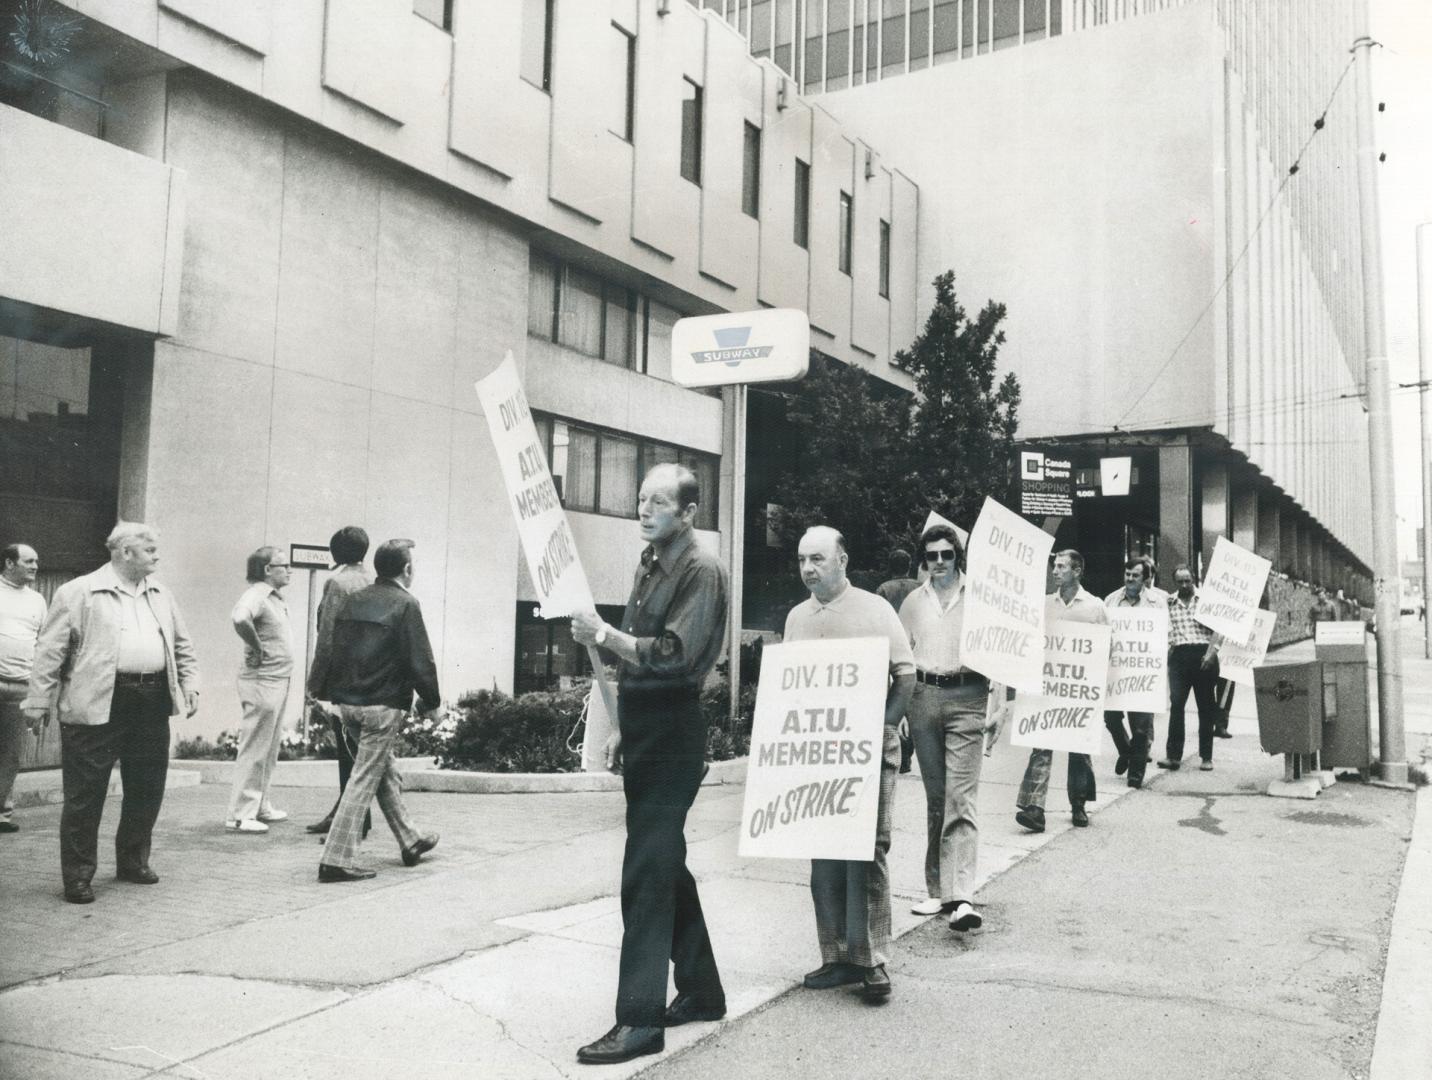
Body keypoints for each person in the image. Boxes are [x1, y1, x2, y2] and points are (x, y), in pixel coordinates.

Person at [570, 464, 729, 1066]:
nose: (644, 509)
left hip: (673, 733)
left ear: (689, 513)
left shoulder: (699, 570)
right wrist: (620, 729)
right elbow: (640, 666)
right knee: (664, 864)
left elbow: (674, 658)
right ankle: (702, 989)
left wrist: (606, 635)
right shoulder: (649, 561)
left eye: (659, 502)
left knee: (645, 872)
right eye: (641, 499)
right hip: (645, 729)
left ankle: (639, 1020)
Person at [22, 523, 199, 904]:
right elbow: (49, 652)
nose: (157, 555)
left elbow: (182, 645)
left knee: (147, 787)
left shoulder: (162, 594)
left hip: (151, 700)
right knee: (86, 795)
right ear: (124, 553)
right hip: (97, 700)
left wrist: (190, 682)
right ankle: (79, 875)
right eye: (149, 549)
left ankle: (133, 862)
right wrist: (38, 700)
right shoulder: (78, 592)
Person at [784, 526, 915, 1002]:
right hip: (818, 754)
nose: (807, 569)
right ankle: (836, 956)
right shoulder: (797, 618)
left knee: (869, 851)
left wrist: (885, 727)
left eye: (817, 559)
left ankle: (873, 959)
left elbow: (905, 674)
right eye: (801, 560)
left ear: (842, 559)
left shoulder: (875, 609)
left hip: (867, 749)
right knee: (824, 851)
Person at [308, 539, 440, 884]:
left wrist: (326, 694)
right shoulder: (406, 604)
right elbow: (420, 659)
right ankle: (335, 859)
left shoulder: (352, 600)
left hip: (348, 704)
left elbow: (331, 647)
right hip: (382, 706)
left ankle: (410, 839)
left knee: (382, 772)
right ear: (406, 570)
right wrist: (432, 701)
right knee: (365, 778)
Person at [898, 523, 1008, 931]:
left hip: (969, 697)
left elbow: (1002, 651)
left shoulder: (982, 597)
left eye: (947, 554)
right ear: (923, 560)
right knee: (937, 798)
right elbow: (900, 658)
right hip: (924, 698)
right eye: (932, 556)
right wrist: (902, 708)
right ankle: (937, 889)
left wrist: (1001, 703)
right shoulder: (913, 601)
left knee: (961, 799)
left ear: (957, 556)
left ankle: (960, 897)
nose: (940, 562)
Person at [1015, 549, 1107, 833]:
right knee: (1041, 742)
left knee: (1078, 747)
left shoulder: (1094, 607)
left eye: (1062, 567)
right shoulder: (1043, 605)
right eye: (1054, 566)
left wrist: (1098, 688)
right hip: (1047, 685)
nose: (1055, 571)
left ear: (1077, 571)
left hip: (1079, 687)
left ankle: (1078, 803)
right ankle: (1034, 808)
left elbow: (1106, 648)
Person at [306, 526, 373, 837]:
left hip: (343, 678)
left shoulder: (337, 582)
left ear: (335, 553)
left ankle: (350, 819)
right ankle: (349, 813)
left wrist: (314, 683)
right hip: (370, 676)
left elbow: (327, 637)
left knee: (347, 752)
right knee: (359, 750)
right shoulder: (373, 579)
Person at [224, 546, 294, 833]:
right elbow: (240, 618)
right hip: (263, 680)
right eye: (283, 565)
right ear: (267, 569)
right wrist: (255, 645)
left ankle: (259, 805)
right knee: (256, 746)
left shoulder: (273, 598)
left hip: (277, 678)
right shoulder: (256, 594)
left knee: (269, 746)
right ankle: (241, 814)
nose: (289, 569)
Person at [1103, 557, 1166, 789]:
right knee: (1110, 717)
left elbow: (1164, 634)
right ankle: (1127, 751)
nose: (1130, 579)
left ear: (1146, 578)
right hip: (1116, 669)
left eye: (1135, 575)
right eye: (1127, 574)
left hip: (1144, 670)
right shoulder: (1112, 600)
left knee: (1141, 724)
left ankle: (1136, 774)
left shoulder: (1156, 603)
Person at [0, 543, 47, 833]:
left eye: (37, 561)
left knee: (10, 755)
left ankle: (2, 814)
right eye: (28, 561)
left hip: (21, 688)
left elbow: (44, 643)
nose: (35, 566)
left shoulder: (38, 600)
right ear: (9, 563)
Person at [1159, 565, 1221, 772]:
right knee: (1176, 705)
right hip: (1179, 656)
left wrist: (1212, 654)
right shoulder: (1168, 603)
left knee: (1206, 707)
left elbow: (1218, 630)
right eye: (1180, 582)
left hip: (1204, 654)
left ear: (1194, 579)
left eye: (1188, 580)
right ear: (1175, 582)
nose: (1185, 585)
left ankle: (1206, 756)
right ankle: (1173, 756)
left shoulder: (1205, 601)